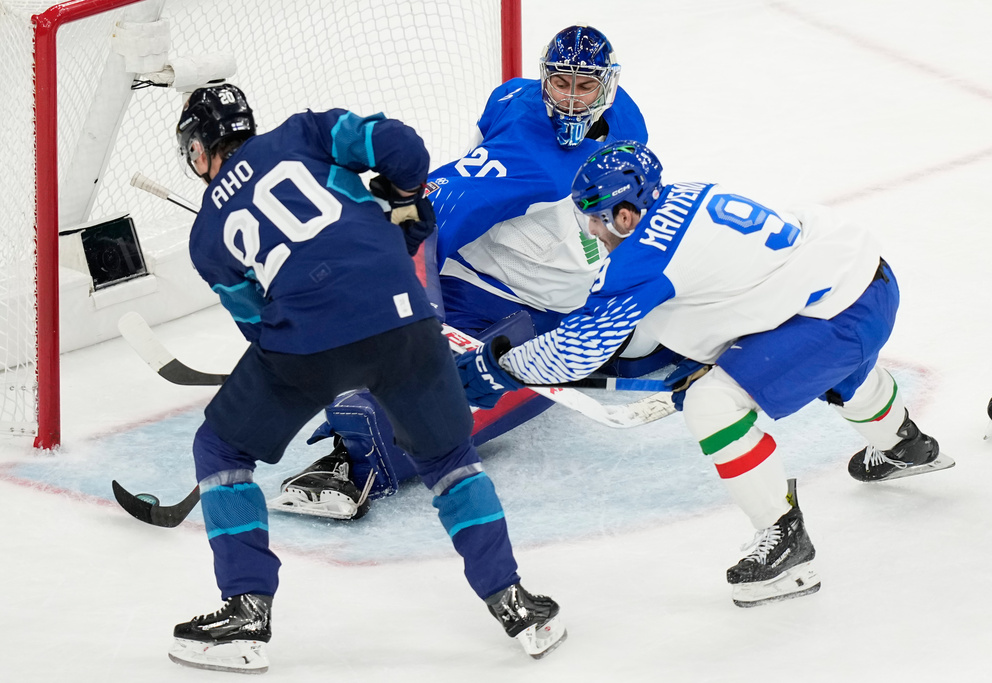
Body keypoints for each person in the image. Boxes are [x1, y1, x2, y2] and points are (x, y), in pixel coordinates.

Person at [166, 83, 567, 674]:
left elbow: (254, 320)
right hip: (405, 319)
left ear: (199, 151)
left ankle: (245, 613)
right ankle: (515, 603)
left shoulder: (206, 234)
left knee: (221, 448)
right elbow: (403, 147)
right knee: (448, 461)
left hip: (304, 347)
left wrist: (306, 344)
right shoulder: (305, 133)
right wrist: (404, 204)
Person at [456, 140, 954, 608]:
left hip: (839, 315)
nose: (591, 232)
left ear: (625, 215)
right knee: (831, 368)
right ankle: (903, 444)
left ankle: (785, 545)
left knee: (712, 404)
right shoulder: (686, 195)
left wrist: (496, 366)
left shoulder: (640, 257)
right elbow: (714, 295)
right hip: (863, 279)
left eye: (596, 220)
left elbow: (575, 353)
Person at [276, 25, 665, 520]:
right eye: (559, 83)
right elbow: (429, 215)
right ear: (544, 80)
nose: (569, 99)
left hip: (564, 303)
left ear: (607, 87)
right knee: (456, 380)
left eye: (584, 86)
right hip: (478, 287)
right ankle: (353, 460)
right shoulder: (523, 156)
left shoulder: (626, 120)